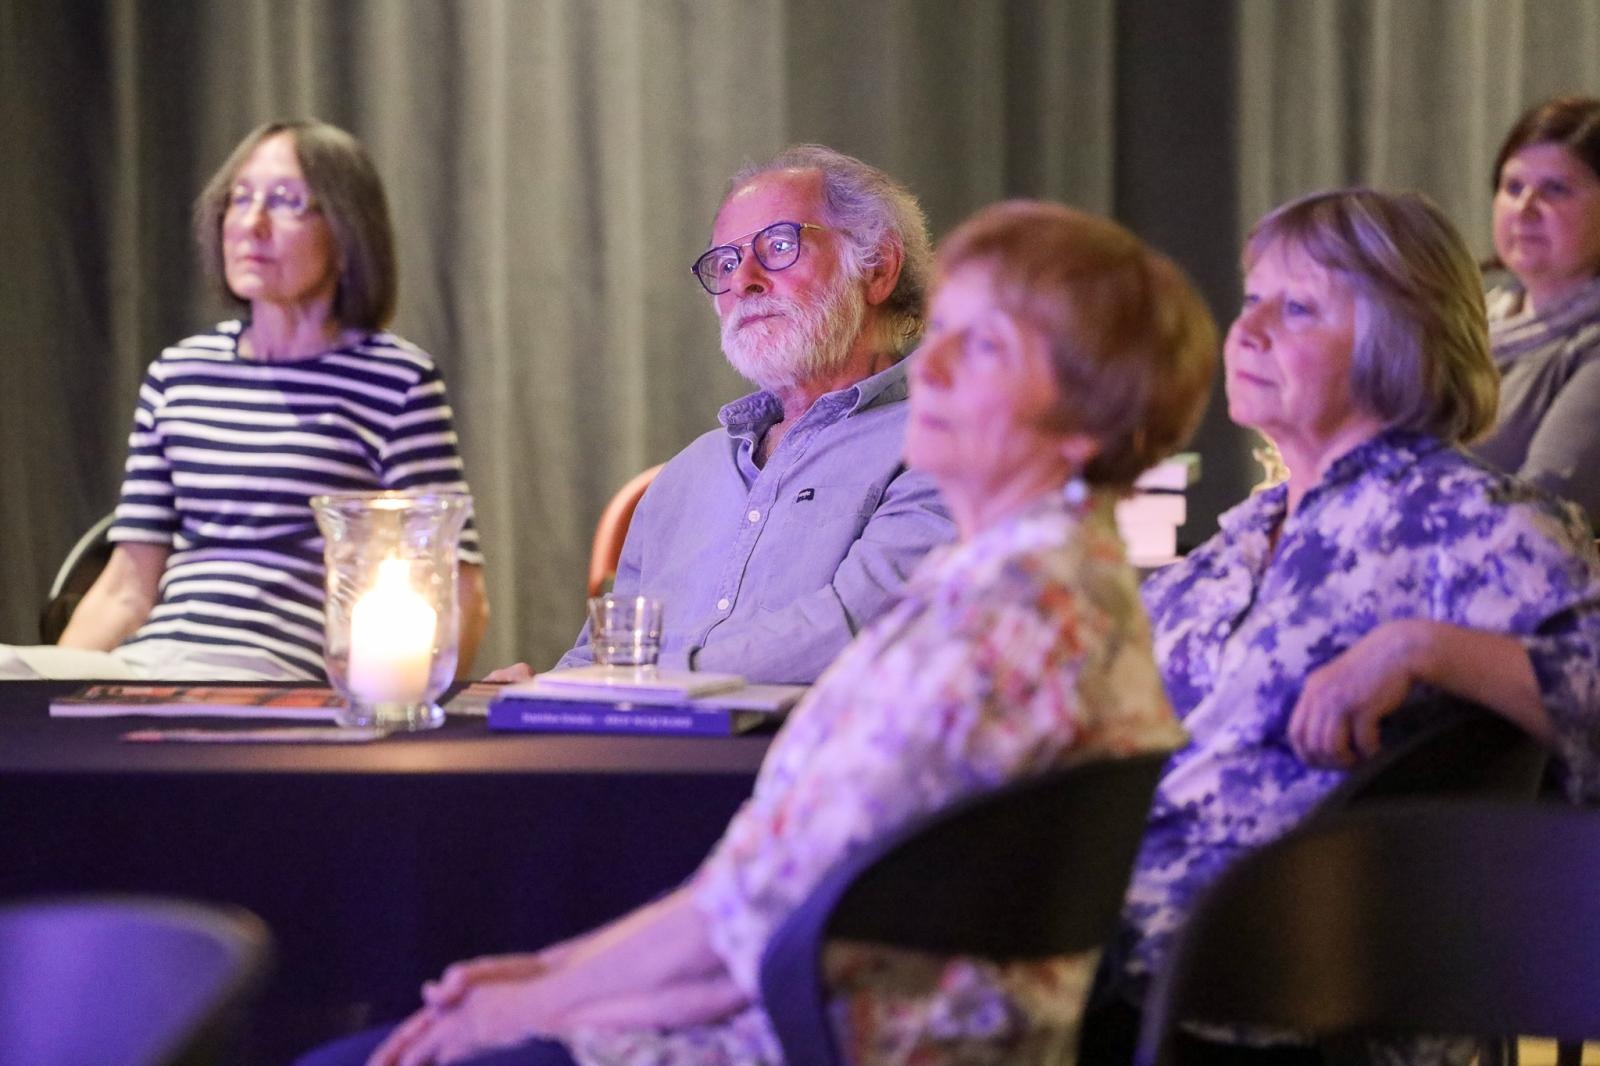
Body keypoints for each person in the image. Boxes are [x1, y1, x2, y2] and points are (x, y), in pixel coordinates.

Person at [293, 199, 1217, 1066]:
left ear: (1092, 411)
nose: (929, 365)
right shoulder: (1033, 579)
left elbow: (756, 929)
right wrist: (550, 977)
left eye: (981, 349)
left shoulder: (1016, 614)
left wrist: (534, 1003)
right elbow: (755, 880)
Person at [1080, 188, 1600, 1064]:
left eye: (1298, 309)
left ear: (1400, 340)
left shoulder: (1469, 520)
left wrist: (1424, 647)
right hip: (1124, 928)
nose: (1246, 333)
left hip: (1290, 968)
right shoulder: (1240, 540)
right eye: (1251, 302)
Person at [14, 119, 488, 681]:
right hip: (149, 666)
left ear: (346, 234)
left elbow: (459, 587)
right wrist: (57, 693)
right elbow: (125, 586)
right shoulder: (179, 373)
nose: (251, 224)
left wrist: (409, 706)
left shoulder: (396, 380)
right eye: (240, 199)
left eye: (286, 202)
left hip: (273, 677)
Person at [493, 145, 953, 685]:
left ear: (878, 269)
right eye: (727, 262)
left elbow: (862, 630)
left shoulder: (944, 443)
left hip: (796, 763)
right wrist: (537, 693)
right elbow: (607, 661)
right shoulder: (684, 477)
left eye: (779, 246)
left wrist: (647, 678)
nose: (743, 281)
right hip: (641, 761)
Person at [1473, 95, 1600, 528]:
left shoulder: (1591, 344)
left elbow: (1542, 507)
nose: (1524, 209)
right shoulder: (1470, 324)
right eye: (1513, 188)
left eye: (1555, 189)